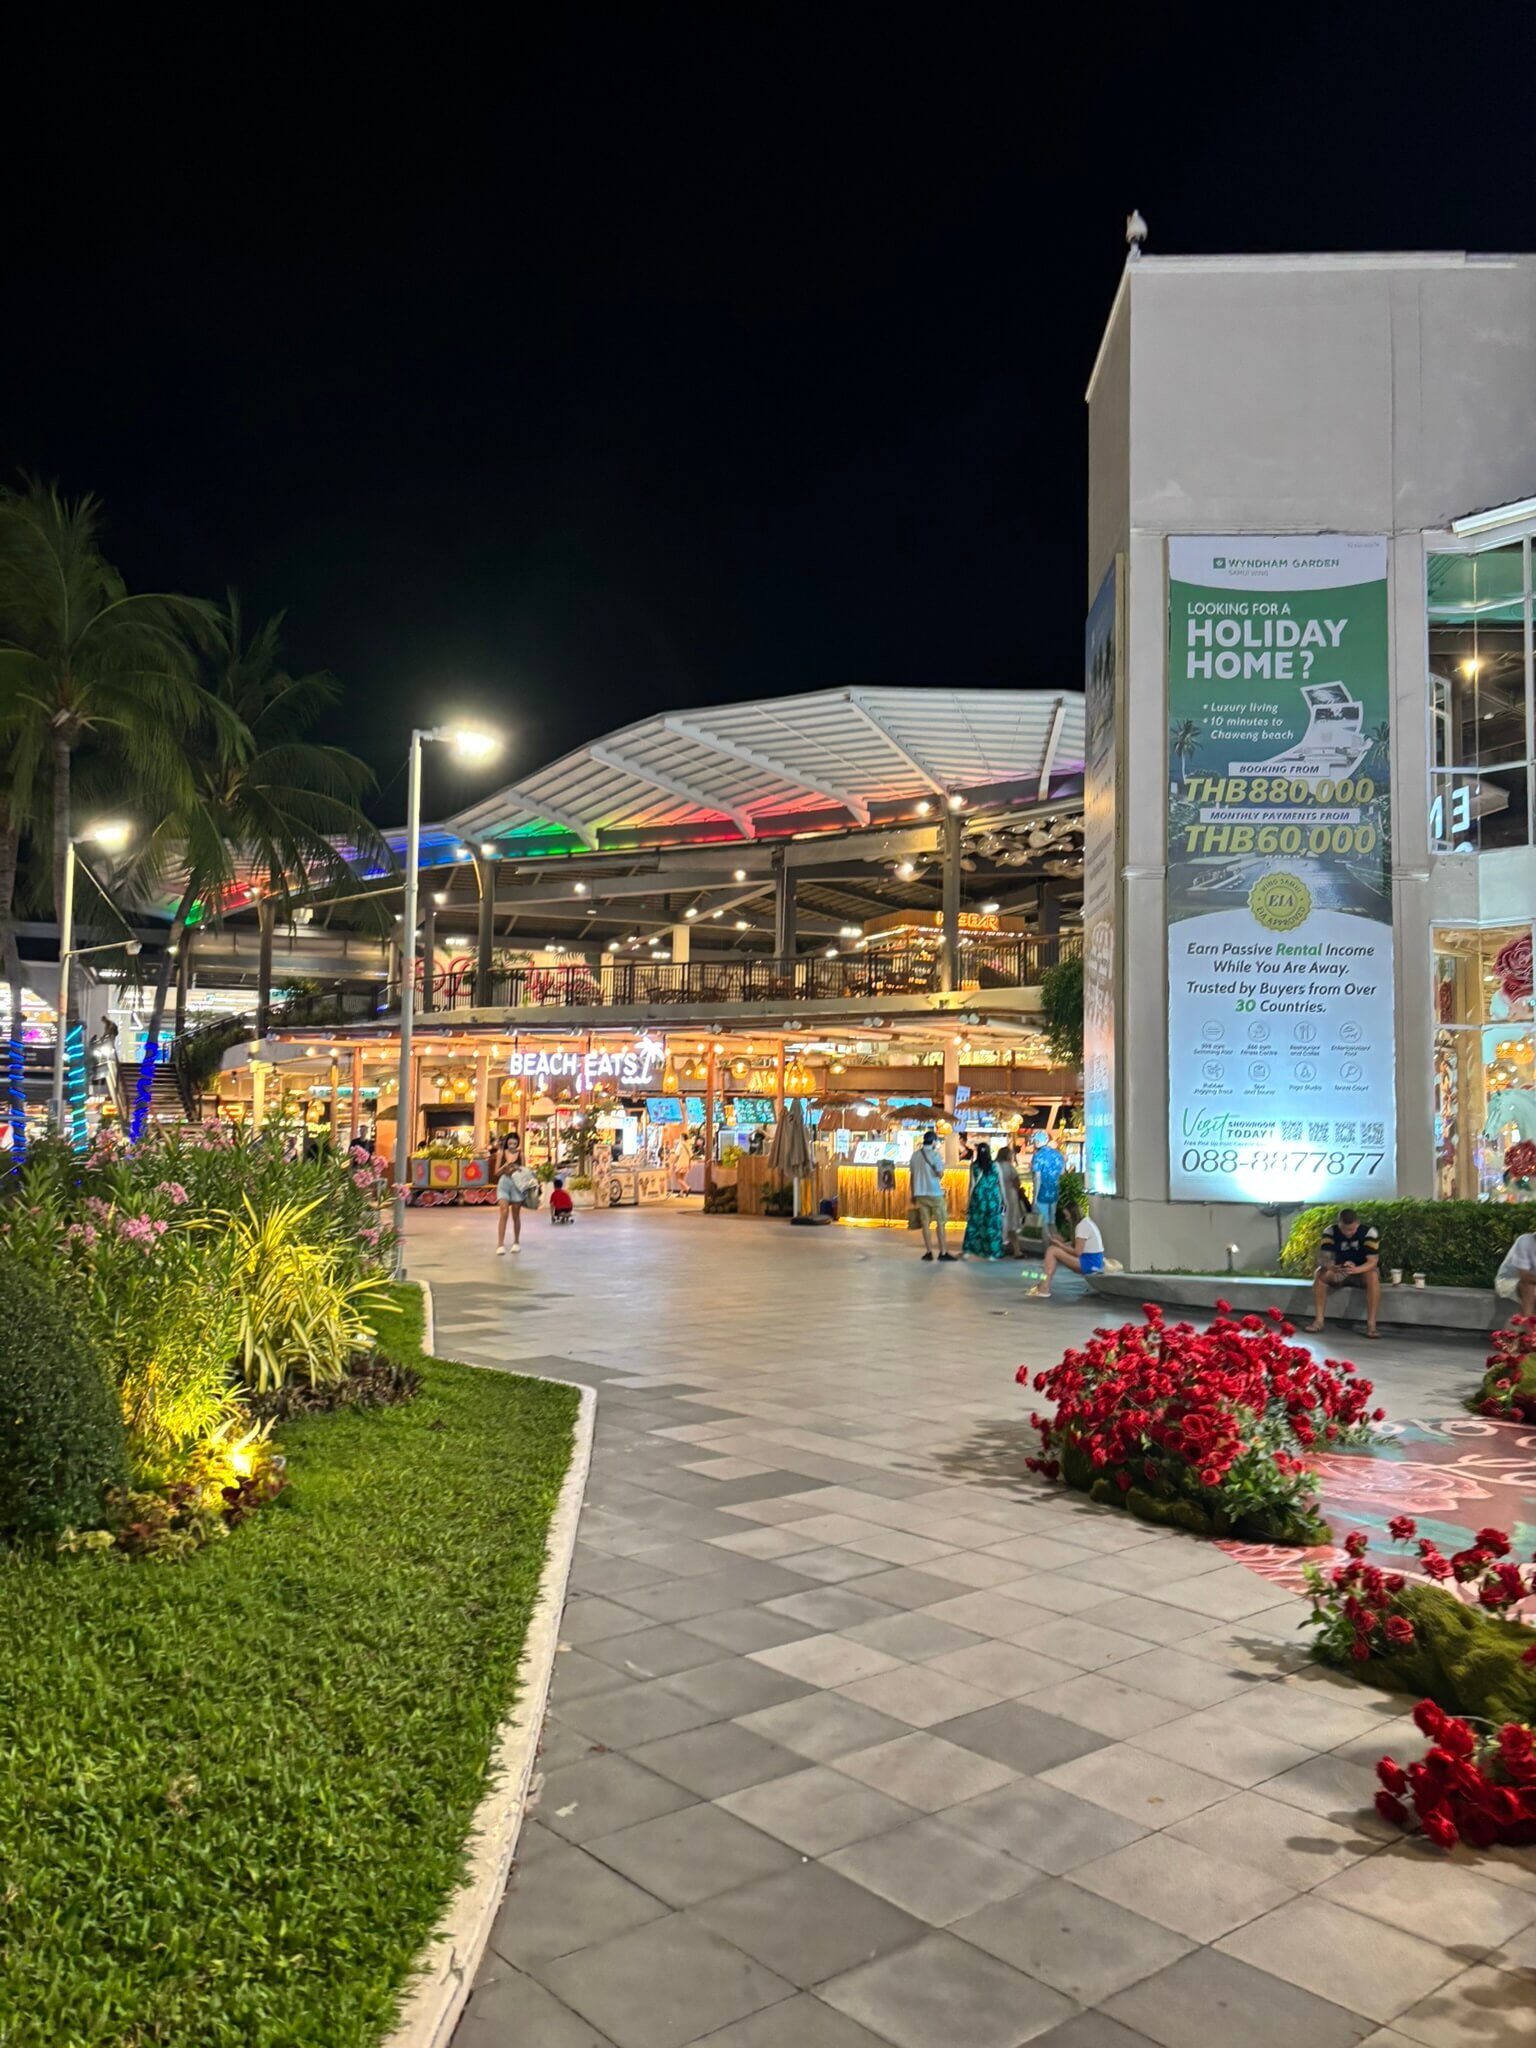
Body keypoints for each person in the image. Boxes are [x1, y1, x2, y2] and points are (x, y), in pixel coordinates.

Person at [1308, 1208, 1382, 1339]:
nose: (1349, 1233)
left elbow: (1372, 1261)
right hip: (1339, 1270)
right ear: (1339, 1224)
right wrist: (1333, 1266)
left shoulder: (1369, 1233)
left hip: (1362, 1271)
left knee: (1373, 1276)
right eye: (1345, 1229)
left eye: (1352, 1229)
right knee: (1320, 1274)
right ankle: (1319, 1321)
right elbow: (1324, 1259)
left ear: (1357, 1223)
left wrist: (1356, 1269)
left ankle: (1371, 1325)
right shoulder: (1330, 1232)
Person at [1032, 1209, 1106, 1298]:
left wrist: (1060, 1245)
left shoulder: (1082, 1226)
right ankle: (1043, 1285)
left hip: (1090, 1263)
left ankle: (1044, 1287)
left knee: (1052, 1251)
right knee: (1053, 1249)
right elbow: (1075, 1245)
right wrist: (1060, 1243)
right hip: (1091, 1260)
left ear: (1073, 1215)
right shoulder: (1085, 1223)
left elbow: (1077, 1252)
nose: (1066, 1218)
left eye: (1067, 1215)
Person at [908, 1127, 955, 1262]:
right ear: (933, 1142)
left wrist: (913, 1193)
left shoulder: (915, 1155)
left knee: (925, 1223)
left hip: (920, 1193)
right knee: (940, 1223)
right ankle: (943, 1252)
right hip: (934, 1193)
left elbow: (912, 1176)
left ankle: (928, 1252)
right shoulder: (935, 1156)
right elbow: (940, 1174)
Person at [961, 1141, 1006, 1259]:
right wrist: (1004, 1200)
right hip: (993, 1198)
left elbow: (972, 1185)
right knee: (992, 1225)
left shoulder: (974, 1166)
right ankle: (992, 1252)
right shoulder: (995, 1166)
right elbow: (1001, 1184)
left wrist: (968, 1203)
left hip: (978, 1197)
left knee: (975, 1224)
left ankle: (968, 1251)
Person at [495, 1155, 540, 1254]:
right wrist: (504, 1166)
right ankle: (500, 1244)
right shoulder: (501, 1153)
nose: (512, 1145)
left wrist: (517, 1168)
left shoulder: (521, 1154)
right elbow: (496, 1172)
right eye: (510, 1142)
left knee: (516, 1215)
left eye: (514, 1143)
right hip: (504, 1184)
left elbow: (524, 1171)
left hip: (517, 1184)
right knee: (504, 1212)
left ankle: (516, 1242)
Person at [1029, 1132, 1067, 1239]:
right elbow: (1062, 1173)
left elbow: (1037, 1178)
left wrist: (1034, 1199)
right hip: (1055, 1192)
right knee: (1052, 1221)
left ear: (1037, 1142)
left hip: (1042, 1194)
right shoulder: (1058, 1155)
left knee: (1044, 1223)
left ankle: (1047, 1248)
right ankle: (1057, 1243)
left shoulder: (1038, 1156)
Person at [1494, 1231, 1536, 1321]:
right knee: (1528, 1286)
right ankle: (1529, 1330)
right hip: (1509, 1281)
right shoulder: (1525, 1241)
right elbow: (1525, 1277)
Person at [996, 1144, 1026, 1256]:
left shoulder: (994, 1166)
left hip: (998, 1196)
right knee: (1012, 1224)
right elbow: (1017, 1183)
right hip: (1010, 1197)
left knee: (999, 1223)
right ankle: (1017, 1250)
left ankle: (998, 1248)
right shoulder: (1010, 1167)